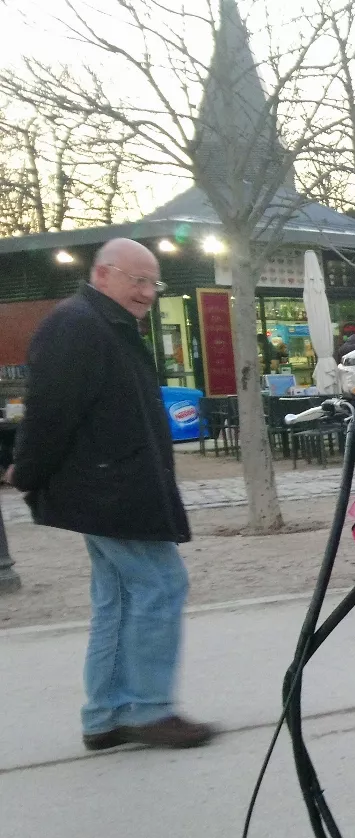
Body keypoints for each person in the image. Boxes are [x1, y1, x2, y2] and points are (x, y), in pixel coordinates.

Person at [5, 239, 216, 750]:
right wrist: (27, 473)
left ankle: (106, 714)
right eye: (136, 280)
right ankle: (149, 709)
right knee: (160, 586)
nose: (146, 292)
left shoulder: (102, 325)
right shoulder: (78, 325)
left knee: (119, 598)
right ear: (102, 275)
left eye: (152, 283)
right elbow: (49, 413)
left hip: (111, 487)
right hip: (110, 490)